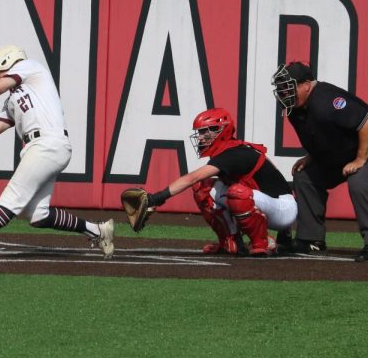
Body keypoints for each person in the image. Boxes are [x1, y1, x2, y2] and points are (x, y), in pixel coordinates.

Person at [0, 45, 115, 259]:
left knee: (10, 200)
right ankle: (98, 231)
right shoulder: (12, 99)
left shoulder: (30, 67)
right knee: (37, 215)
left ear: (7, 60)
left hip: (47, 143)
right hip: (43, 148)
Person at [271, 61, 368, 261]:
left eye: (289, 87)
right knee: (304, 176)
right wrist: (311, 156)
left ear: (307, 85)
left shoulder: (327, 100)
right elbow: (323, 135)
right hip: (349, 149)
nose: (284, 93)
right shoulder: (295, 108)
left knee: (360, 179)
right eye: (281, 89)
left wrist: (360, 160)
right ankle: (311, 240)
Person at [127, 108, 297, 256]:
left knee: (236, 192)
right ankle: (230, 242)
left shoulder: (233, 153)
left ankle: (263, 243)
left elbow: (191, 177)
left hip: (282, 209)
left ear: (220, 130)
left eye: (204, 132)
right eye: (200, 133)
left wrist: (156, 198)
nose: (200, 138)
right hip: (269, 203)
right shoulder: (233, 150)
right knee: (203, 187)